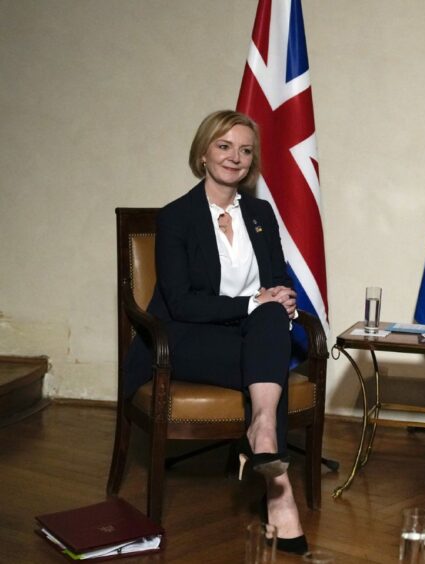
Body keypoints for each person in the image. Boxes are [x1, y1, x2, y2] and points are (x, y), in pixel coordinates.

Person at [125, 110, 309, 555]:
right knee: (267, 357)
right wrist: (255, 303)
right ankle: (280, 500)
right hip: (183, 338)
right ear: (203, 153)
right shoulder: (176, 217)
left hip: (250, 335)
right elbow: (182, 300)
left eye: (245, 150)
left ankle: (262, 433)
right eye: (224, 146)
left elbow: (275, 277)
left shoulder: (262, 213)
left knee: (269, 320)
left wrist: (281, 297)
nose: (236, 157)